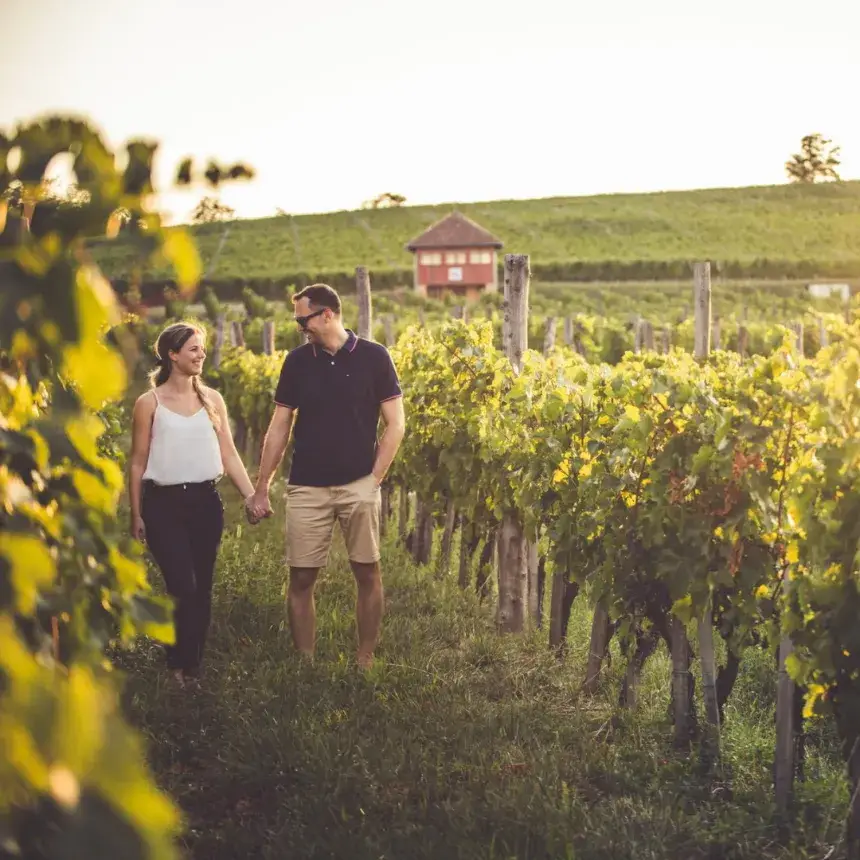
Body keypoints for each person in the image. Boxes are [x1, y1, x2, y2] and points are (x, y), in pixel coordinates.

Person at [248, 284, 406, 669]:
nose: (300, 328)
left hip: (359, 485)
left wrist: (374, 479)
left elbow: (396, 424)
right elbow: (280, 425)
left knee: (367, 572)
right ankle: (305, 663)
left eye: (303, 320)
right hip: (307, 486)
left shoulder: (374, 357)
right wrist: (262, 486)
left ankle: (365, 658)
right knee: (301, 578)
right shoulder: (297, 362)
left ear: (327, 314)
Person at [128, 321, 258, 688]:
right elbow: (137, 462)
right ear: (172, 355)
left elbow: (229, 454)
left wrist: (251, 496)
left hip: (205, 503)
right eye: (194, 349)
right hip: (162, 505)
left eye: (202, 348)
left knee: (201, 589)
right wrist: (136, 514)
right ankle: (176, 665)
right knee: (182, 585)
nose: (201, 354)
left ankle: (192, 667)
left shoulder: (212, 400)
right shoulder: (149, 403)